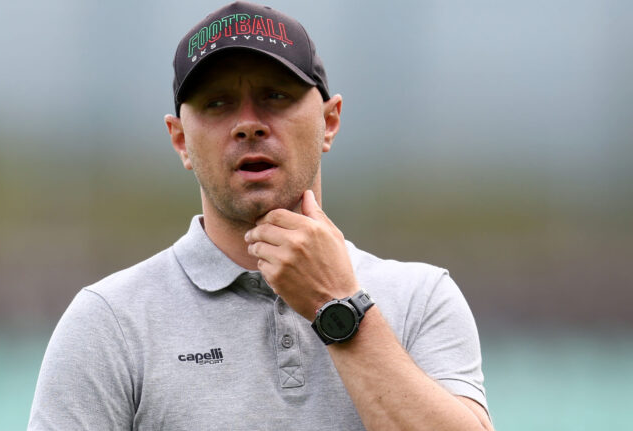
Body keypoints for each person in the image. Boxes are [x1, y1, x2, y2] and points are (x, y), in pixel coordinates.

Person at [28, 2, 494, 430]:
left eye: (276, 95)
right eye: (217, 102)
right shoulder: (109, 320)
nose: (248, 124)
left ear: (329, 122)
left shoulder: (421, 299)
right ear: (181, 141)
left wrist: (338, 306)